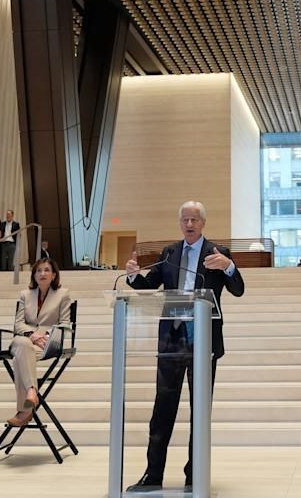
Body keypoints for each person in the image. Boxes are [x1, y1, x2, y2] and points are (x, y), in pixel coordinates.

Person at [124, 201, 245, 492]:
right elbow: (149, 286)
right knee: (162, 409)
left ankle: (195, 475)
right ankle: (153, 474)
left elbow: (238, 289)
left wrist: (229, 267)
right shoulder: (169, 253)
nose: (189, 224)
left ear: (203, 223)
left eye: (194, 219)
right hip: (172, 339)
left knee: (199, 410)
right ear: (180, 223)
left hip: (204, 339)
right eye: (185, 220)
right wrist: (132, 275)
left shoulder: (218, 253)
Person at [5, 257, 72, 427]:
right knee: (22, 344)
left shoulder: (63, 294)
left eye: (47, 270)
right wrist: (32, 335)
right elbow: (18, 324)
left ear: (54, 275)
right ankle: (32, 392)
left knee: (19, 357)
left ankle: (25, 410)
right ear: (34, 275)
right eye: (39, 270)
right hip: (25, 339)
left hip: (46, 343)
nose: (42, 273)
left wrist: (47, 336)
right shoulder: (25, 295)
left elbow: (65, 323)